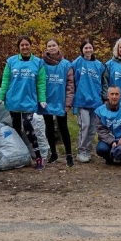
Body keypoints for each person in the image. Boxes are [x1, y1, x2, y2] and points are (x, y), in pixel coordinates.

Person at [0, 36, 47, 169]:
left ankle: (38, 157)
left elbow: (41, 83)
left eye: (27, 45)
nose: (24, 47)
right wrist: (1, 96)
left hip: (29, 100)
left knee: (28, 126)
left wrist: (42, 99)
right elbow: (6, 80)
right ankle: (19, 156)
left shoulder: (38, 63)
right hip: (13, 99)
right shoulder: (11, 61)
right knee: (16, 128)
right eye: (22, 45)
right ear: (19, 47)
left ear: (30, 46)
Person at [38, 38, 75, 167]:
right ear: (46, 48)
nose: (52, 48)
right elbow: (38, 82)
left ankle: (69, 155)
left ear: (58, 47)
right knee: (48, 127)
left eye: (54, 45)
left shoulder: (66, 64)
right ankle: (53, 153)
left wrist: (68, 103)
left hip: (61, 100)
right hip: (46, 101)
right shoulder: (41, 63)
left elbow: (70, 85)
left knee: (63, 127)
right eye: (49, 46)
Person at [71, 39, 105, 164]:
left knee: (92, 128)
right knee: (84, 126)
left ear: (93, 49)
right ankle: (81, 150)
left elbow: (102, 83)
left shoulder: (99, 65)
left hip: (95, 101)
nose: (88, 50)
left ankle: (88, 150)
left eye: (90, 47)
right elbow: (72, 82)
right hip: (82, 101)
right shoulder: (76, 63)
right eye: (86, 48)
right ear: (82, 50)